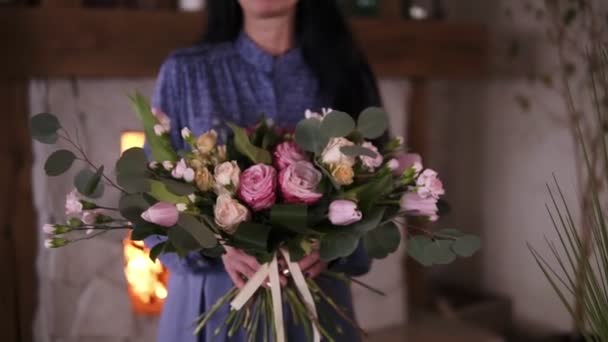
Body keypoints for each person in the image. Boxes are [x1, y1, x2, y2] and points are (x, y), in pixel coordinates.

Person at [145, 0, 381, 341]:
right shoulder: (186, 72)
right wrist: (214, 245)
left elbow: (379, 201)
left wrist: (332, 248)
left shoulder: (344, 73)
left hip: (314, 305)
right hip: (210, 306)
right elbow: (148, 204)